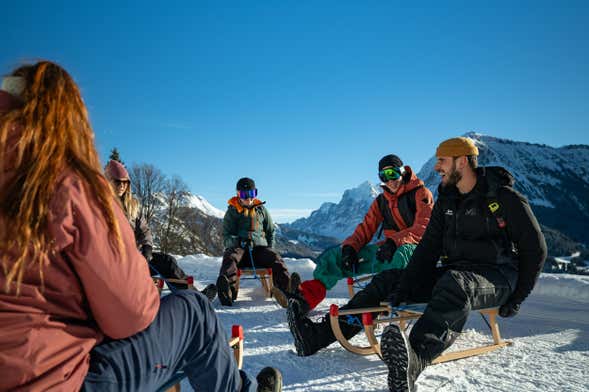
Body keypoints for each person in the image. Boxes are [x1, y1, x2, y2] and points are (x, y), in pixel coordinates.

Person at [0, 61, 281, 392]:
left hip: (126, 262)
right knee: (195, 312)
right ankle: (221, 299)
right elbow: (131, 314)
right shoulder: (69, 184)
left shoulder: (126, 204)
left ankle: (250, 285)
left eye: (120, 183)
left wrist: (143, 251)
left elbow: (142, 233)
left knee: (163, 262)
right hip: (54, 378)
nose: (117, 186)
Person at [287, 137, 546, 392]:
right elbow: (428, 250)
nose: (436, 167)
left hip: (498, 275)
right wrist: (404, 286)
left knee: (455, 283)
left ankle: (414, 357)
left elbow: (535, 249)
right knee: (387, 280)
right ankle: (316, 337)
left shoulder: (504, 198)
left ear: (462, 162)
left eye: (442, 161)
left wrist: (518, 297)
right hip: (458, 271)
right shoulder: (447, 201)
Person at [273, 154, 433, 314]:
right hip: (389, 248)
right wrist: (350, 248)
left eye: (392, 174)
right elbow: (366, 228)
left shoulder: (421, 194)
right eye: (384, 176)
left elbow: (423, 228)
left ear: (402, 172)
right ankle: (304, 300)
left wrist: (394, 242)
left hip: (418, 249)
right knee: (334, 256)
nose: (389, 181)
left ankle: (388, 300)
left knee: (400, 254)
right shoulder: (381, 201)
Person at [104, 159, 216, 299]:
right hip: (114, 263)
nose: (121, 186)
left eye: (125, 182)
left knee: (166, 261)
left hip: (136, 257)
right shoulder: (102, 207)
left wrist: (147, 246)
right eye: (117, 182)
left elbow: (144, 230)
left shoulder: (132, 206)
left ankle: (195, 297)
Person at [217, 177, 299, 307]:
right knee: (230, 258)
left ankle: (286, 291)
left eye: (252, 194)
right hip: (240, 249)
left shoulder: (261, 210)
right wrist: (238, 241)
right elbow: (226, 236)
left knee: (275, 259)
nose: (249, 199)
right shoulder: (233, 211)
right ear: (238, 194)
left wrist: (270, 248)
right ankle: (228, 290)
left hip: (259, 249)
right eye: (244, 195)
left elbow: (270, 230)